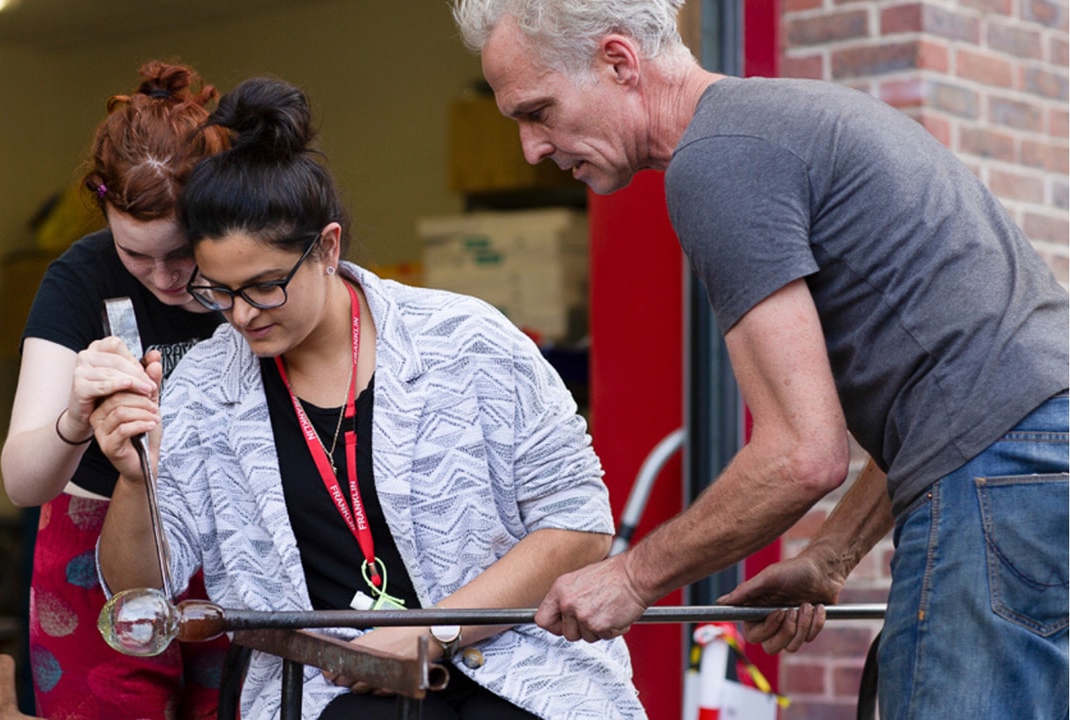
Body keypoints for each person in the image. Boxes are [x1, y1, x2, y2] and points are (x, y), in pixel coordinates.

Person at [451, 1, 1069, 718]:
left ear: (620, 63)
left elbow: (802, 456)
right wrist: (832, 555)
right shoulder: (786, 117)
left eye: (539, 111)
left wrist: (632, 575)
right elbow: (963, 400)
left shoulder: (716, 162)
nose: (532, 148)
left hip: (1006, 484)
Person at [91, 77, 646, 720]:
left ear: (326, 247)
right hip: (333, 689)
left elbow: (578, 522)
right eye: (218, 292)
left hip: (519, 665)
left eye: (265, 286)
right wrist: (136, 482)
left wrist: (432, 632)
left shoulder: (465, 340)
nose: (241, 316)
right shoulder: (207, 388)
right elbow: (140, 590)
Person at [0, 60, 230, 719]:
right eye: (136, 256)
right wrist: (73, 418)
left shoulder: (249, 274)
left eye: (183, 252)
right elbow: (22, 481)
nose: (162, 277)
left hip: (226, 541)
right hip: (91, 542)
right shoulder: (78, 279)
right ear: (104, 208)